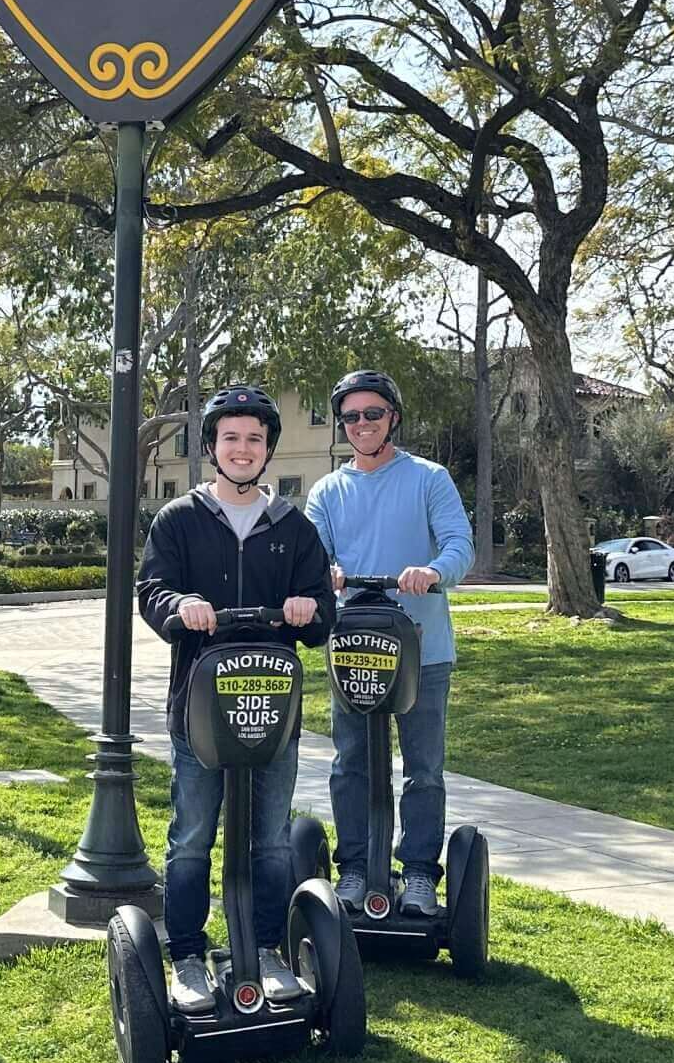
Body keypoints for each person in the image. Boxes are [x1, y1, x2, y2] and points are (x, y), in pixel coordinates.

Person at [136, 384, 336, 1014]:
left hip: (273, 709)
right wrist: (180, 607)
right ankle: (189, 956)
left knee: (272, 839)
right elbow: (152, 591)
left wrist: (308, 609)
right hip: (199, 710)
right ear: (212, 447)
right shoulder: (180, 520)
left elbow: (322, 613)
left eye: (254, 438)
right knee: (193, 835)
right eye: (231, 438)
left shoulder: (293, 527)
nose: (243, 448)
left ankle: (269, 949)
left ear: (268, 450)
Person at [303, 369, 475, 917]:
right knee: (349, 761)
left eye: (372, 414)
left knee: (423, 768)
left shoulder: (428, 477)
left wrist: (432, 570)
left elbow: (459, 544)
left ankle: (420, 874)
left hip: (422, 649)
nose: (361, 425)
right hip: (353, 647)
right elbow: (313, 554)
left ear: (392, 417)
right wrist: (324, 571)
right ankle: (353, 868)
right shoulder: (328, 489)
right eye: (350, 416)